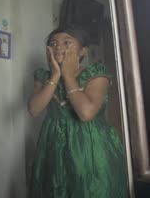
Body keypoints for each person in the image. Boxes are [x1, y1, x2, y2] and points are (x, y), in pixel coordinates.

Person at [28, 26, 128, 198]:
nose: (58, 47)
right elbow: (34, 110)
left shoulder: (96, 74)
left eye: (67, 42)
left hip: (90, 145)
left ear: (82, 51)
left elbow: (86, 113)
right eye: (53, 43)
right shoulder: (43, 77)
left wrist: (67, 75)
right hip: (53, 145)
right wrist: (55, 76)